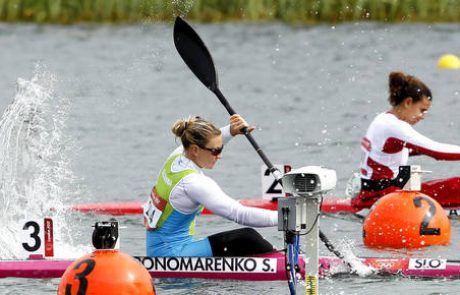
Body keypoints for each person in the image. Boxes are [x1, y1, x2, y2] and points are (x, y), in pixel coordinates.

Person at [143, 114, 277, 257]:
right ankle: (285, 265)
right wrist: (286, 218)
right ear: (195, 150)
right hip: (172, 255)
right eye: (216, 151)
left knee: (243, 240)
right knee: (247, 238)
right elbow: (239, 214)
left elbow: (210, 141)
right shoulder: (193, 183)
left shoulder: (177, 156)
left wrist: (231, 130)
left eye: (221, 149)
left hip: (158, 248)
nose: (219, 156)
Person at [351, 71, 460, 210]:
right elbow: (437, 152)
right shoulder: (395, 126)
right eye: (422, 110)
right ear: (408, 102)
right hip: (383, 198)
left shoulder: (382, 119)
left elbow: (392, 152)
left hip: (373, 194)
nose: (422, 116)